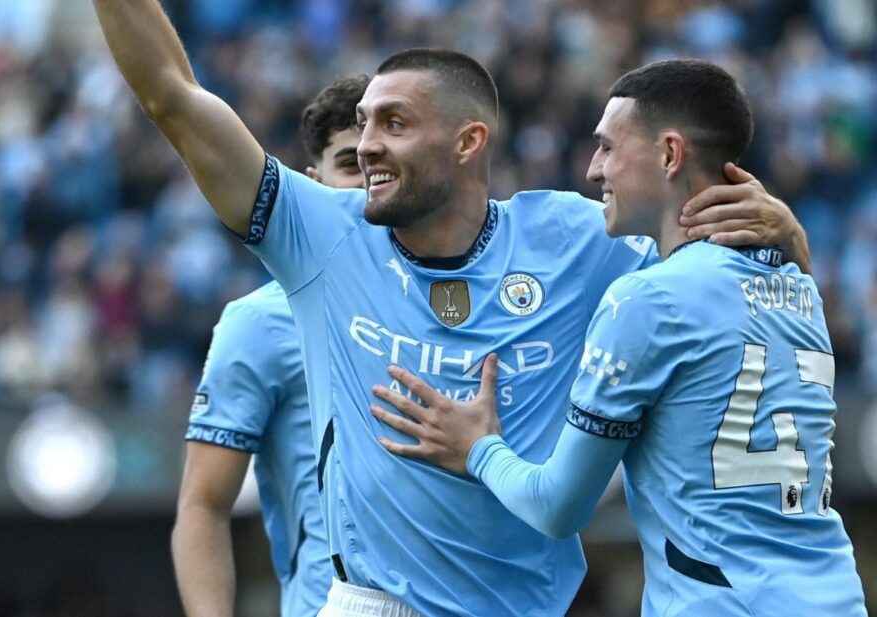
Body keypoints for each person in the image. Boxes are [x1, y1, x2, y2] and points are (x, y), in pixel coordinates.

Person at [92, 2, 810, 613]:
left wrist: (791, 237)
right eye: (364, 125)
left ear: (469, 141)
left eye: (394, 123)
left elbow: (750, 299)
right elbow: (171, 96)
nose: (367, 146)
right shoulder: (319, 237)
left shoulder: (581, 240)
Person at [370, 59, 867, 615]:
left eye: (607, 147)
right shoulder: (800, 284)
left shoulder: (647, 299)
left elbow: (557, 507)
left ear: (670, 154)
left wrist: (478, 447)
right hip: (836, 596)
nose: (592, 169)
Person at [172, 75, 369, 617]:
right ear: (314, 181)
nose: (369, 182)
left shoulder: (459, 299)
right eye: (350, 164)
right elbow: (204, 505)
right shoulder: (261, 321)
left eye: (381, 163)